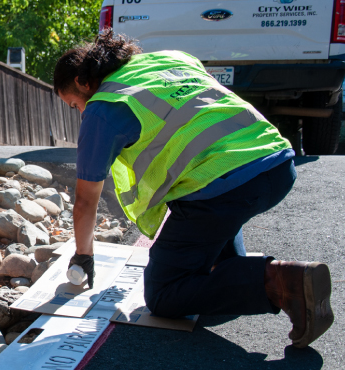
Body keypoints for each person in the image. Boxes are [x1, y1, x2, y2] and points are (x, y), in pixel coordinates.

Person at [54, 29, 334, 348]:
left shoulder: (104, 108)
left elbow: (85, 202)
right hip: (275, 164)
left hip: (221, 187)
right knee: (216, 269)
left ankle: (285, 280)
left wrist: (83, 256)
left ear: (81, 83)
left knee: (164, 295)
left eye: (74, 105)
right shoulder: (170, 59)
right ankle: (255, 275)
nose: (80, 113)